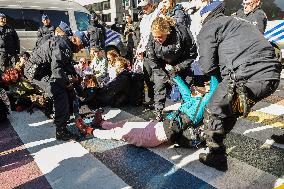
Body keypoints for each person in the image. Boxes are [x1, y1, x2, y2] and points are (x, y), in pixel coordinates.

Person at [196, 1, 281, 171]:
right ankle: (214, 138)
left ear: (205, 16)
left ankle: (217, 156)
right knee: (230, 108)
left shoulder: (209, 27)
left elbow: (206, 67)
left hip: (245, 77)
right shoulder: (239, 21)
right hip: (272, 77)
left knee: (213, 109)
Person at [75, 74, 218, 148]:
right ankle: (103, 123)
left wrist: (213, 74)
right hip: (157, 125)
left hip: (154, 135)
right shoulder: (193, 100)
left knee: (119, 133)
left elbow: (213, 91)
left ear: (203, 91)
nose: (193, 88)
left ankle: (89, 130)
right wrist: (175, 76)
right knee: (125, 124)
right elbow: (186, 93)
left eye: (199, 86)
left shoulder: (202, 104)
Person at [24, 31, 89, 141]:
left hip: (45, 70)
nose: (81, 49)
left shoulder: (67, 46)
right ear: (74, 40)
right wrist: (68, 85)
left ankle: (59, 115)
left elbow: (69, 69)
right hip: (36, 71)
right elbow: (57, 70)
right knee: (60, 92)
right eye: (81, 45)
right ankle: (61, 130)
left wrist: (81, 90)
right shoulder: (62, 45)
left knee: (63, 89)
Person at [147, 16, 197, 120]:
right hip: (161, 65)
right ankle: (159, 111)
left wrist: (178, 68)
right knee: (159, 86)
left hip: (181, 62)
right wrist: (165, 77)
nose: (157, 39)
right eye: (155, 37)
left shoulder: (182, 32)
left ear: (167, 31)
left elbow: (192, 54)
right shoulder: (153, 38)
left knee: (185, 85)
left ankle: (186, 111)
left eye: (160, 37)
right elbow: (152, 60)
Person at [136, 0, 165, 106]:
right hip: (145, 50)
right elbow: (143, 36)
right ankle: (152, 98)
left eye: (145, 7)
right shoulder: (143, 18)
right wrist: (139, 47)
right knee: (147, 75)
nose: (143, 9)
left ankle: (158, 101)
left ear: (151, 5)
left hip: (155, 50)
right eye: (142, 7)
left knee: (156, 76)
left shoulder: (157, 14)